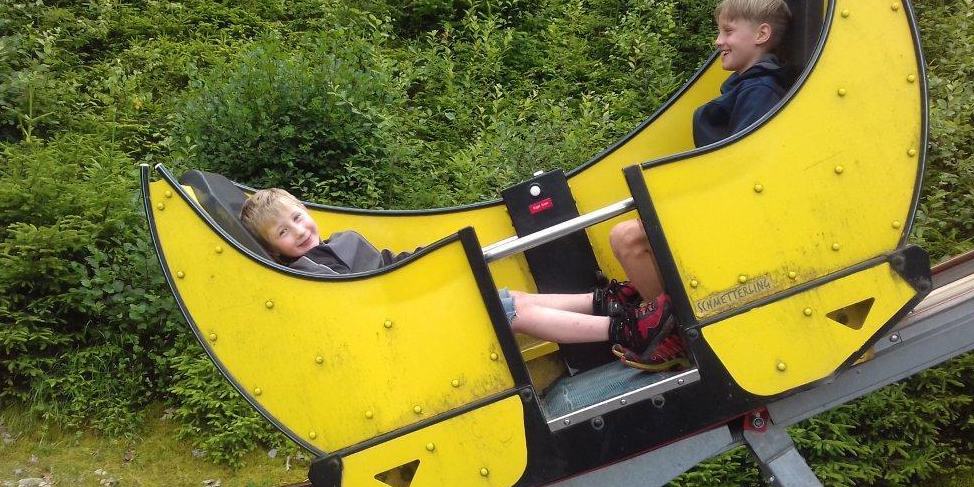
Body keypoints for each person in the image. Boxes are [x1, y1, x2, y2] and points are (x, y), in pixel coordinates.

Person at [239, 188, 683, 368]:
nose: (299, 231)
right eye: (284, 233)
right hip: (400, 320)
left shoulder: (344, 240)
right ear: (275, 249)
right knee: (507, 310)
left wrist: (435, 258)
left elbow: (392, 260)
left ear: (305, 209)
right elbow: (358, 297)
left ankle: (606, 303)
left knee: (508, 296)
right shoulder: (309, 273)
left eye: (297, 218)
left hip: (415, 295)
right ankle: (625, 329)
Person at [607, 0, 792, 368]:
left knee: (627, 238)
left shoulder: (760, 91)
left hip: (740, 209)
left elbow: (744, 162)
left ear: (761, 34)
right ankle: (666, 318)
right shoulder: (746, 86)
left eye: (728, 31)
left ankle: (681, 335)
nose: (718, 41)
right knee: (628, 235)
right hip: (723, 201)